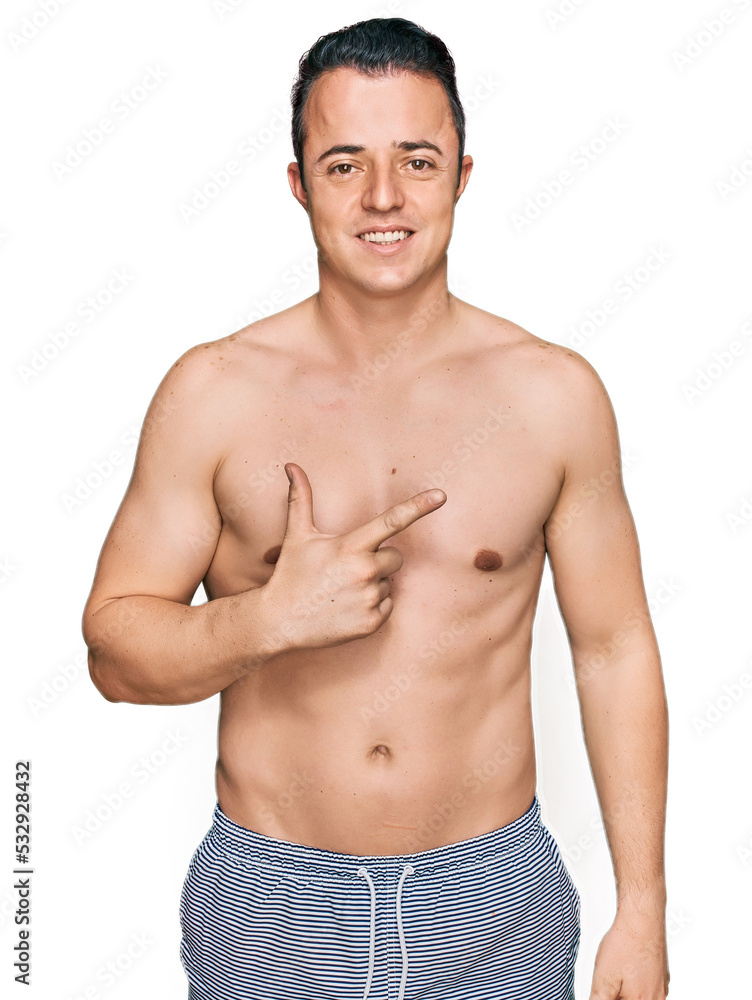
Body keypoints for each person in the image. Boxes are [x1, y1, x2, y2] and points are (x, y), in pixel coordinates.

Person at [82, 17, 669, 1000]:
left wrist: (641, 907)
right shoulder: (212, 392)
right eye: (345, 163)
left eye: (416, 160)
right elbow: (112, 654)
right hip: (269, 896)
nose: (383, 197)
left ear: (462, 175)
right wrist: (264, 619)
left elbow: (612, 648)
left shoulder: (552, 397)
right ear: (297, 182)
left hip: (495, 897)